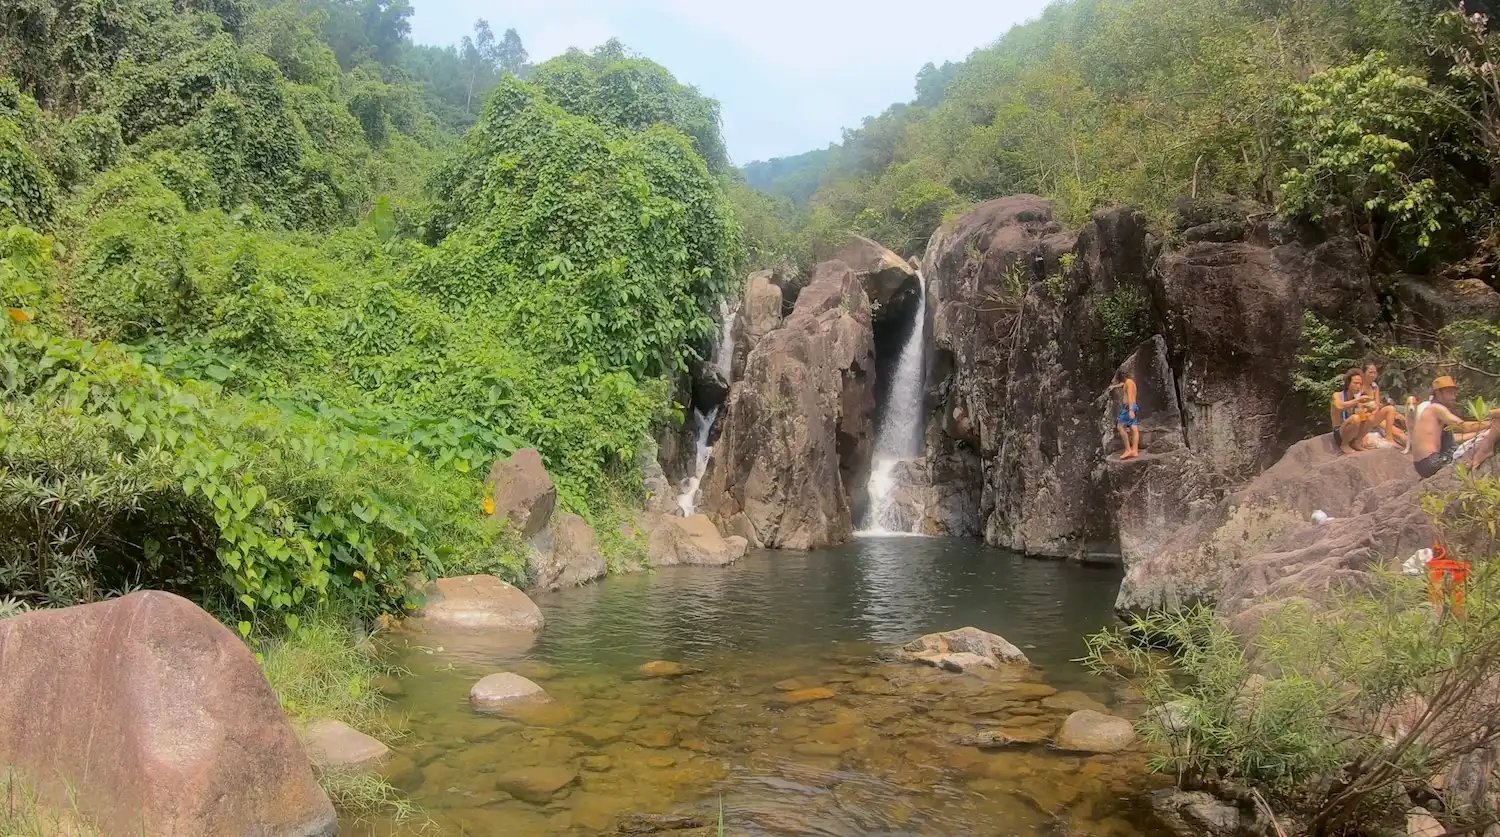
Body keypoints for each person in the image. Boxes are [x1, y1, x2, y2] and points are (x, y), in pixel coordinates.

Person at [1410, 376, 1500, 479]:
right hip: (1433, 461)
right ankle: (1485, 451)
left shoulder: (1432, 411)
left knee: (1483, 435)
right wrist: (1490, 422)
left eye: (1454, 393)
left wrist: (1481, 432)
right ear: (1439, 393)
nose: (1454, 397)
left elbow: (1455, 437)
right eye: (1449, 392)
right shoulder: (1436, 409)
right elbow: (1465, 427)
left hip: (1423, 465)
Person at [1331, 368, 1398, 454]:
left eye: (1360, 384)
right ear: (1348, 384)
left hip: (1355, 431)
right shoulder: (1337, 395)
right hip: (1340, 432)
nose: (1358, 386)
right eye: (1355, 383)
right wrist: (1358, 401)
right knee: (1355, 418)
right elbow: (1340, 406)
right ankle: (1344, 444)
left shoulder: (1357, 397)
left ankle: (1357, 442)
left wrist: (1371, 407)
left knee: (1372, 416)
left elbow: (1364, 413)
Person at [1360, 360, 1408, 448]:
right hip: (1364, 418)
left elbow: (1378, 404)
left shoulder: (1375, 387)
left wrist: (1376, 411)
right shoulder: (1359, 387)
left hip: (1375, 416)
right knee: (1386, 425)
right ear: (1363, 373)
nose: (1373, 375)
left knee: (1392, 412)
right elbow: (1356, 407)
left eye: (1375, 373)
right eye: (1370, 372)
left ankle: (1390, 439)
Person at [1108, 371, 1140, 460]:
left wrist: (1130, 410)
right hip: (1134, 406)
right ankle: (1135, 450)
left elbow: (1130, 395)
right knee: (1134, 428)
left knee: (1120, 427)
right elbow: (1123, 384)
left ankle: (1128, 449)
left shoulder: (1128, 383)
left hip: (1128, 408)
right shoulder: (1130, 382)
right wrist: (1114, 386)